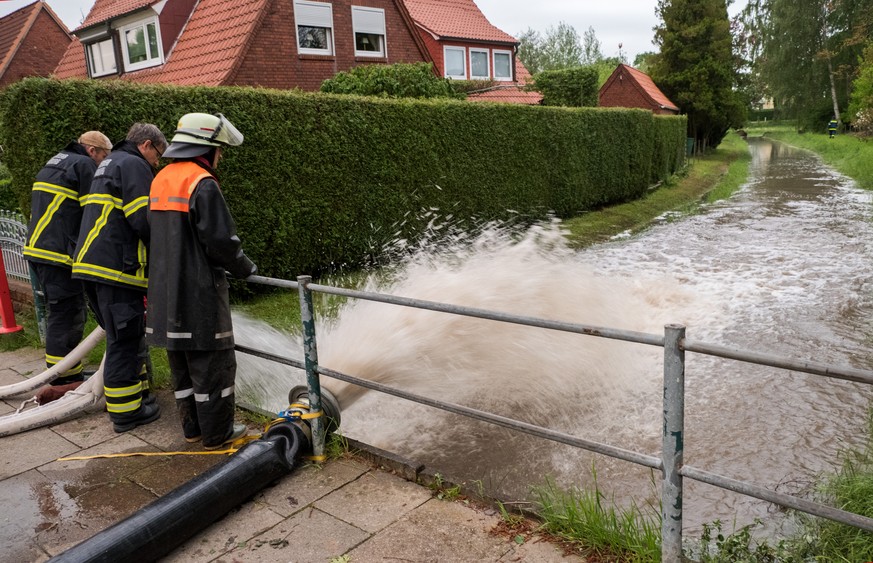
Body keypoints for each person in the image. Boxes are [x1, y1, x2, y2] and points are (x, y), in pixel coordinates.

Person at [146, 113, 256, 450]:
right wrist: (246, 269)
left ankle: (193, 430)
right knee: (213, 368)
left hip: (166, 294)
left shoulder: (161, 178)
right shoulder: (202, 183)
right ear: (205, 149)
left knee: (181, 366)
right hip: (198, 295)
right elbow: (221, 242)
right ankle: (217, 434)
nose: (220, 156)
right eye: (219, 150)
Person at [73, 123, 167, 433]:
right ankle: (127, 413)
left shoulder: (111, 162)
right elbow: (143, 218)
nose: (157, 163)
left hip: (95, 266)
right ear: (147, 145)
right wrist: (167, 252)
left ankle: (135, 399)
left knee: (123, 336)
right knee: (124, 340)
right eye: (158, 156)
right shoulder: (134, 165)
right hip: (116, 270)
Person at [24, 131, 112, 387]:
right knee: (68, 313)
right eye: (103, 157)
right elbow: (92, 211)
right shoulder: (83, 165)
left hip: (39, 251)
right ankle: (62, 379)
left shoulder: (57, 161)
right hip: (57, 254)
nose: (102, 164)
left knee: (61, 312)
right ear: (92, 150)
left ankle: (67, 371)